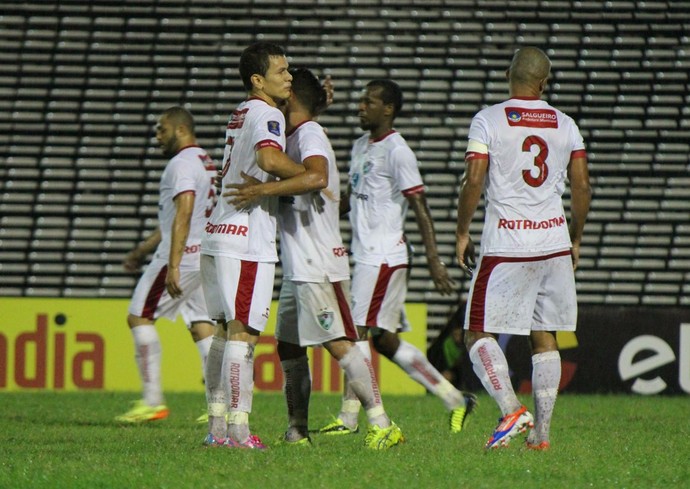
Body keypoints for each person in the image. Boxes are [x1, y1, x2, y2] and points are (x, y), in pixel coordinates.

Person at [225, 67, 404, 449]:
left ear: (290, 101)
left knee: (339, 342)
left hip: (319, 261)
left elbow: (317, 177)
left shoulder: (309, 135)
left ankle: (382, 422)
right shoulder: (296, 134)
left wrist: (262, 190)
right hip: (297, 263)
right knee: (289, 346)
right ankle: (297, 430)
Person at [319, 79, 477, 436]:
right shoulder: (360, 146)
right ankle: (454, 398)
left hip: (384, 256)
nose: (361, 106)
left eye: (369, 101)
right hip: (367, 256)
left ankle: (348, 419)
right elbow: (351, 198)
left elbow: (419, 205)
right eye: (360, 100)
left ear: (387, 109)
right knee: (383, 340)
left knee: (354, 331)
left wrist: (435, 260)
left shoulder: (398, 150)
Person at [455, 46, 592, 450]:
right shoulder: (565, 124)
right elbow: (582, 185)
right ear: (544, 83)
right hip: (553, 243)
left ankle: (512, 409)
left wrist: (463, 231)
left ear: (508, 74)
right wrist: (577, 236)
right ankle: (542, 437)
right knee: (543, 333)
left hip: (508, 243)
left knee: (477, 332)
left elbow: (474, 178)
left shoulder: (489, 119)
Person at [199, 42, 315, 450]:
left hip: (217, 232)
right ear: (258, 79)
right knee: (244, 335)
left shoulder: (243, 110)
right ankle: (239, 432)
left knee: (220, 332)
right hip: (246, 239)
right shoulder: (267, 113)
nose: (289, 77)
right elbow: (268, 159)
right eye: (281, 71)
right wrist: (305, 174)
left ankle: (216, 429)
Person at [116, 106, 217, 423]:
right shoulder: (205, 161)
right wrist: (141, 250)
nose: (157, 136)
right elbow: (176, 218)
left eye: (162, 129)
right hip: (205, 252)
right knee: (202, 325)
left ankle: (152, 400)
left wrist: (172, 264)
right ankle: (220, 403)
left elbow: (183, 213)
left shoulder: (182, 164)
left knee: (139, 317)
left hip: (182, 254)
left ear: (181, 129)